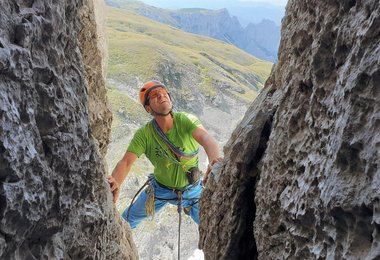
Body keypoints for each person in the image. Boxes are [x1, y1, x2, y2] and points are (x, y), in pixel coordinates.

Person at [107, 80, 222, 228]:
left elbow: (207, 139)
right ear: (148, 108)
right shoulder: (145, 134)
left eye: (164, 92)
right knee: (125, 222)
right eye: (155, 95)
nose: (162, 96)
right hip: (160, 190)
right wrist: (115, 183)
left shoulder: (185, 120)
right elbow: (126, 162)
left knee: (213, 228)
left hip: (192, 191)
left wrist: (214, 162)